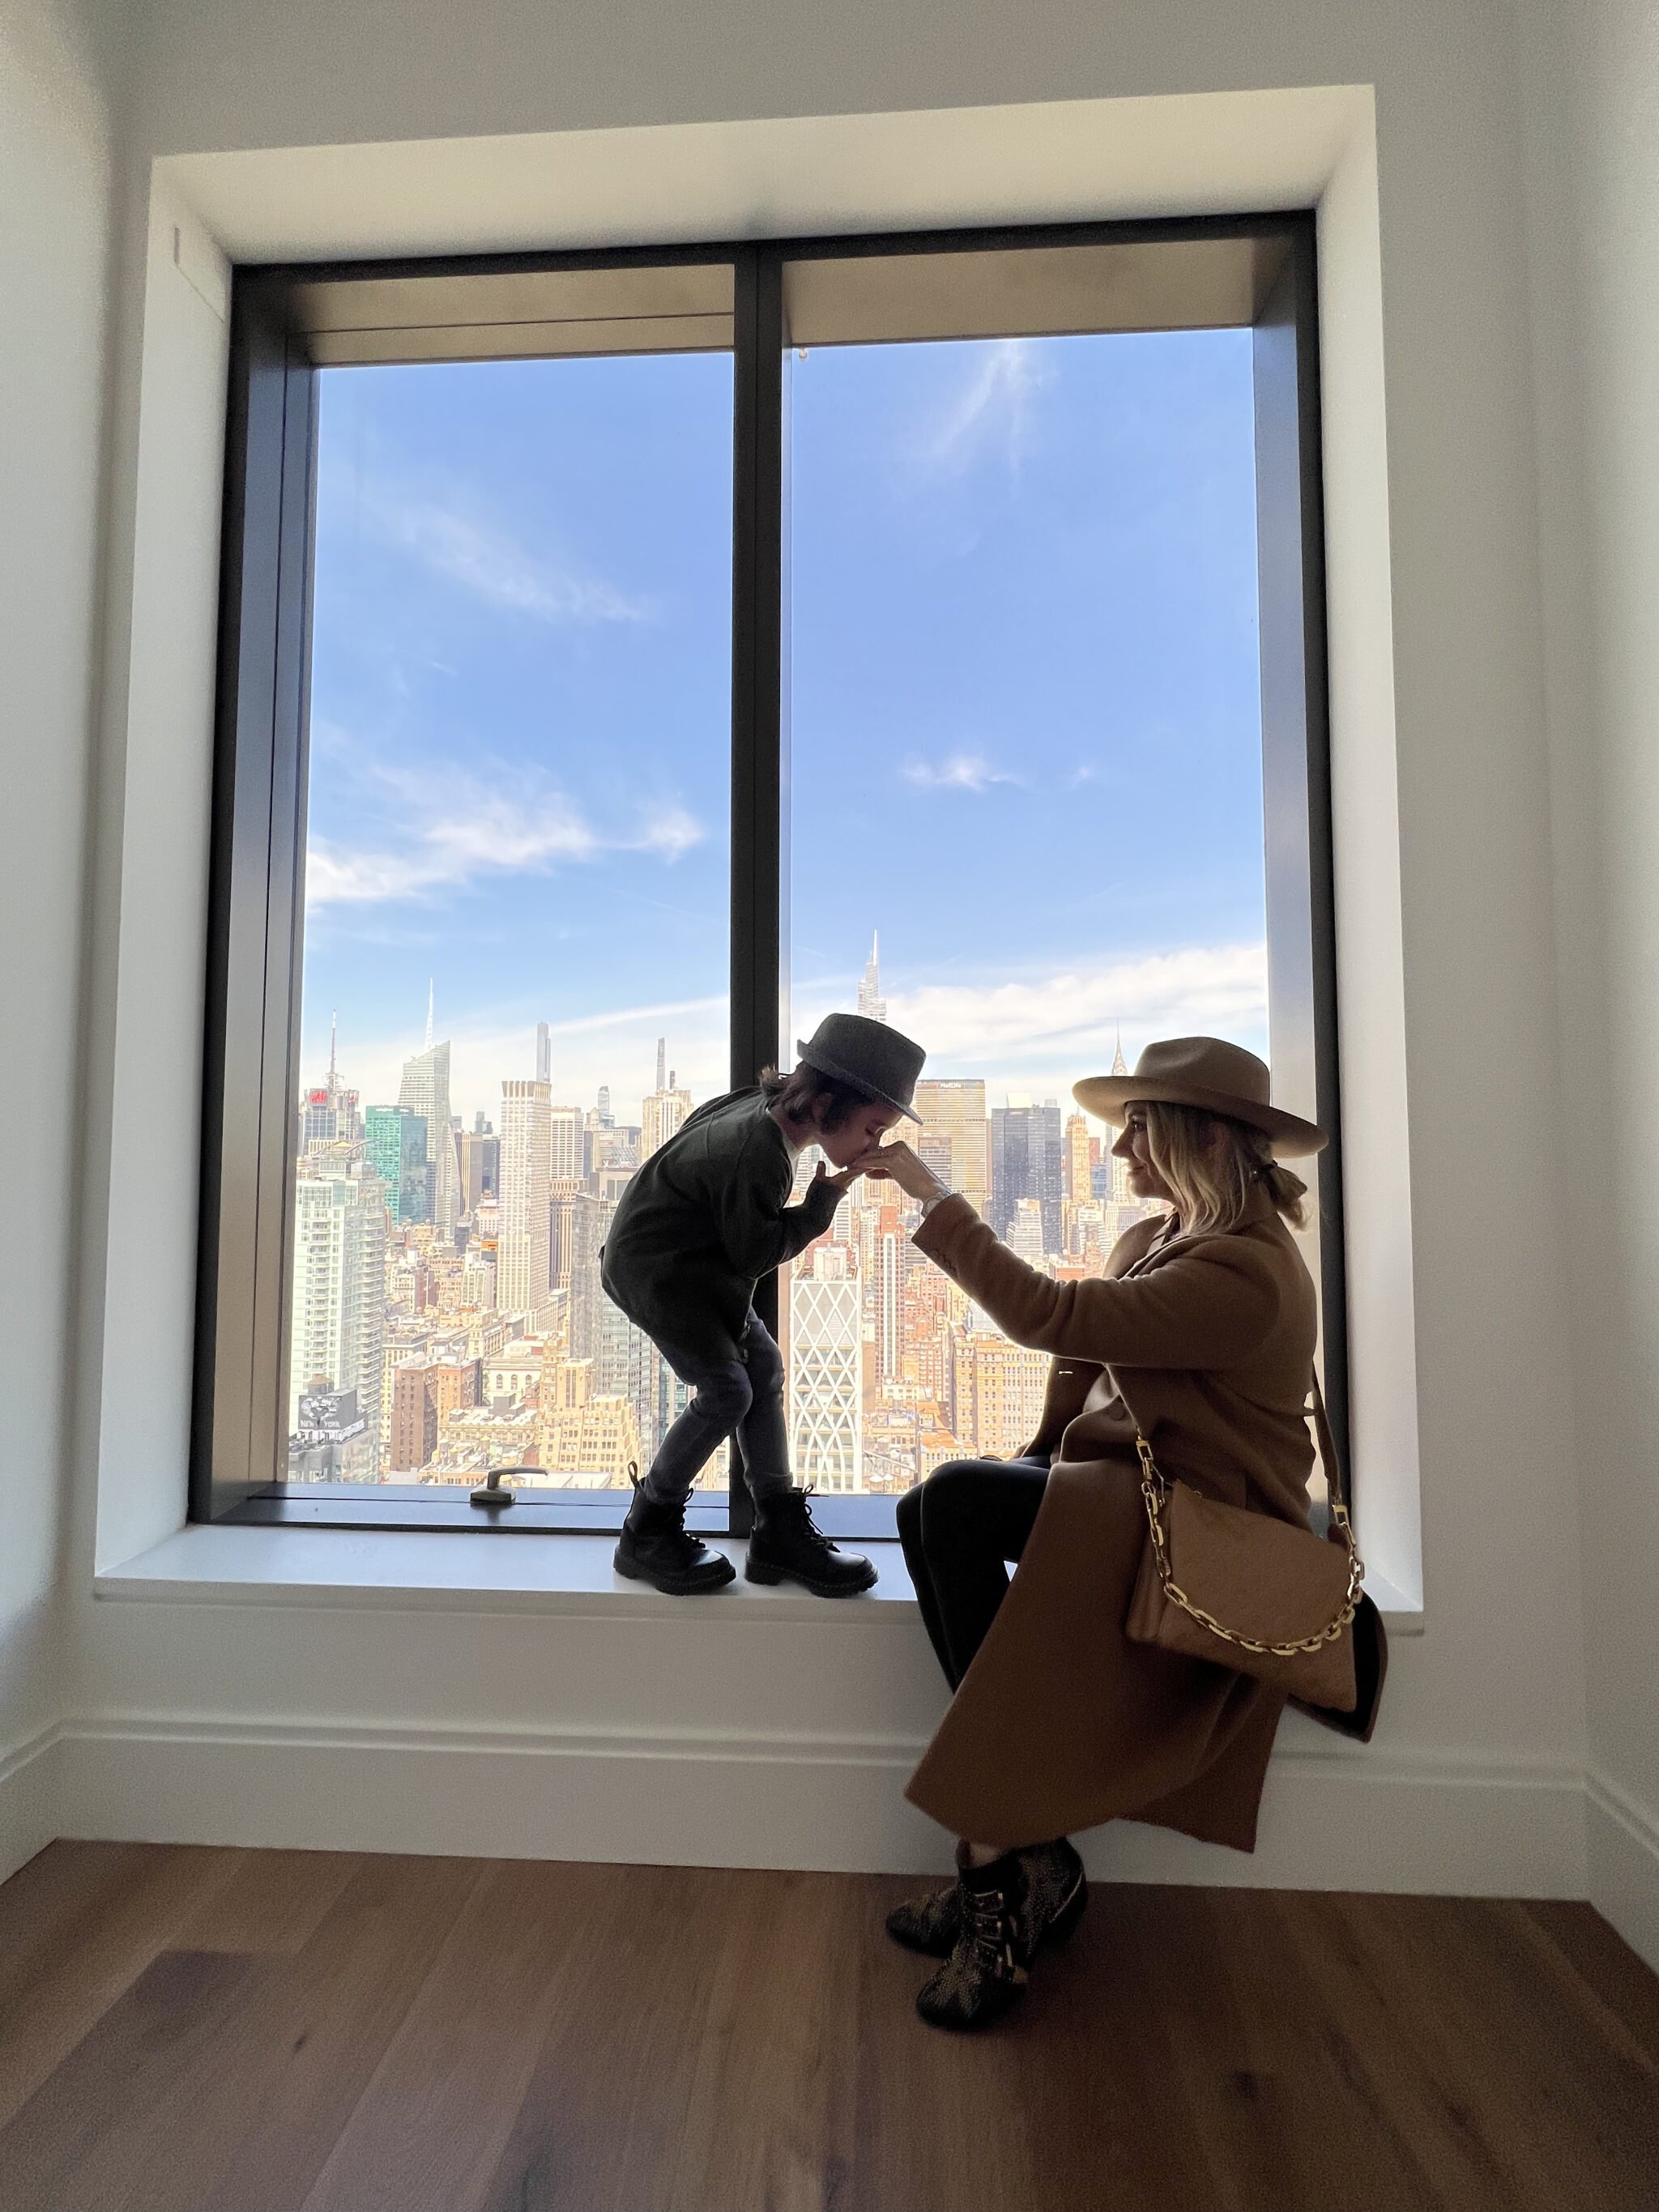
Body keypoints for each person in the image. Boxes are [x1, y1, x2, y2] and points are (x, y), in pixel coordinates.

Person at [870, 1037, 1328, 2031]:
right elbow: (1083, 1372)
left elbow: (1045, 1315)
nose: (1119, 1152)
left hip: (1196, 1528)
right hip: (1132, 1487)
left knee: (949, 1502)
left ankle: (1000, 1869)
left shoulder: (1242, 1273)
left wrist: (925, 1189)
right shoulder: (1162, 1238)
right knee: (929, 1508)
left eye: (1136, 1130)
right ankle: (1027, 1844)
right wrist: (1035, 1466)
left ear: (1193, 1138)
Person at [600, 1012, 925, 1597]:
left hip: (694, 1264)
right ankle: (647, 1528)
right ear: (829, 1104)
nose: (874, 1144)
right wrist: (822, 1203)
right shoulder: (762, 1151)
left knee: (765, 1367)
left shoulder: (759, 1108)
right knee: (728, 1391)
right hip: (662, 1273)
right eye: (874, 1129)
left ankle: (777, 1529)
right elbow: (753, 1253)